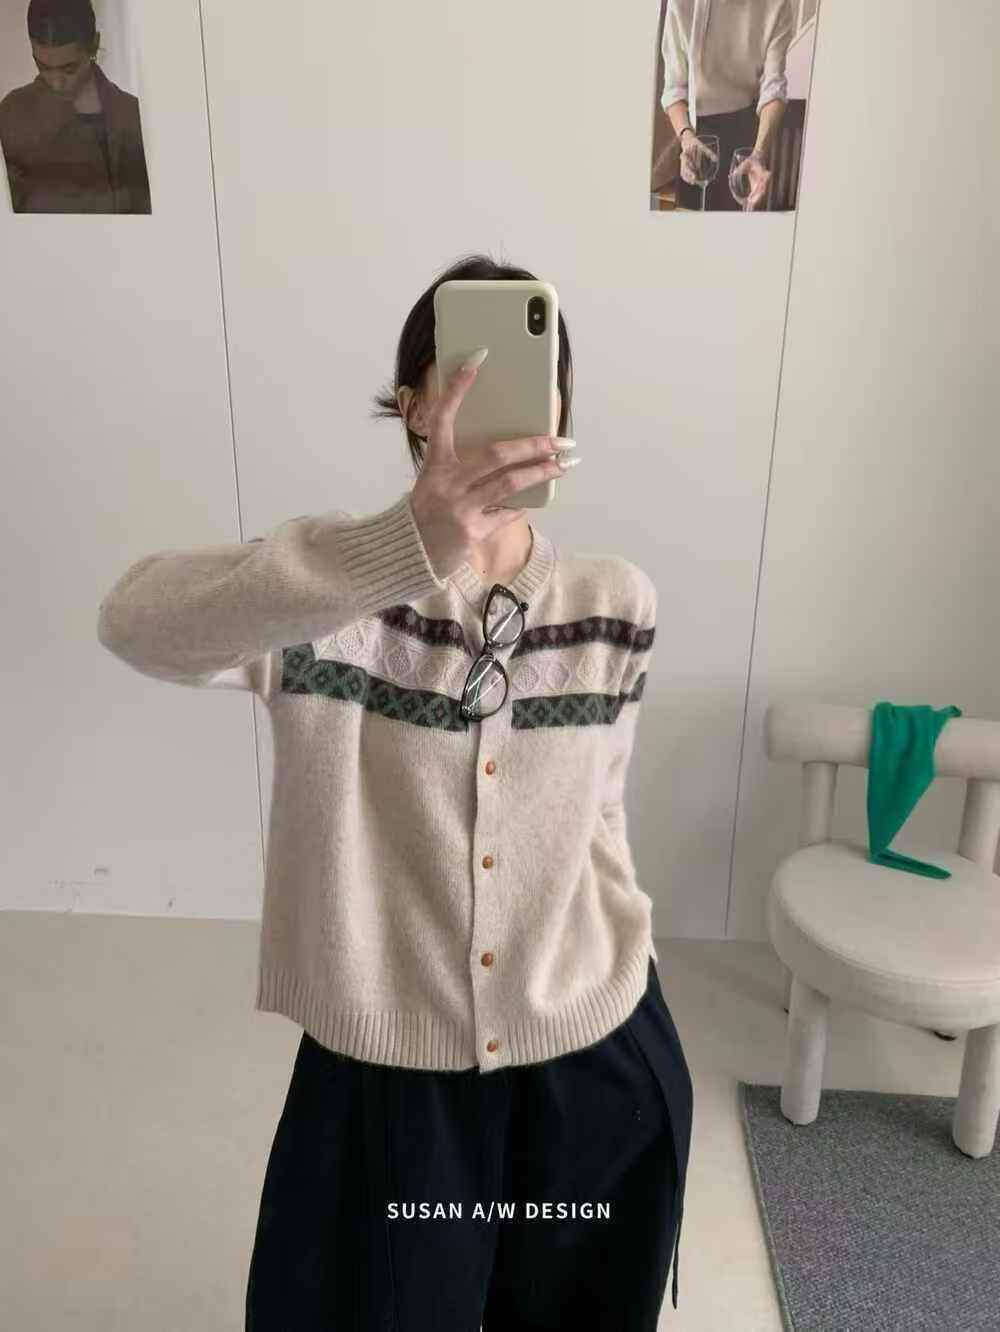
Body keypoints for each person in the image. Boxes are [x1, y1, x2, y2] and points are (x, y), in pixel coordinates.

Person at [96, 253, 694, 1329]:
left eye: (534, 382)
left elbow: (602, 812)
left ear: (560, 414)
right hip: (389, 1072)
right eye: (460, 380)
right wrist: (398, 549)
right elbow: (135, 621)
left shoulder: (616, 601)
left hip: (596, 1053)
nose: (502, 407)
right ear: (413, 406)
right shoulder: (330, 596)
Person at [0, 0, 150, 214]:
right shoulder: (11, 116)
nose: (56, 83)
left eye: (69, 69)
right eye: (43, 66)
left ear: (94, 44)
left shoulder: (134, 114)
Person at [661, 0, 792, 210]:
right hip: (696, 134)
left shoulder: (779, 4)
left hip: (746, 134)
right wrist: (686, 137)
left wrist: (759, 153)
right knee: (691, 222)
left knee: (738, 223)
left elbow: (774, 87)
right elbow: (674, 87)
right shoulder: (681, 3)